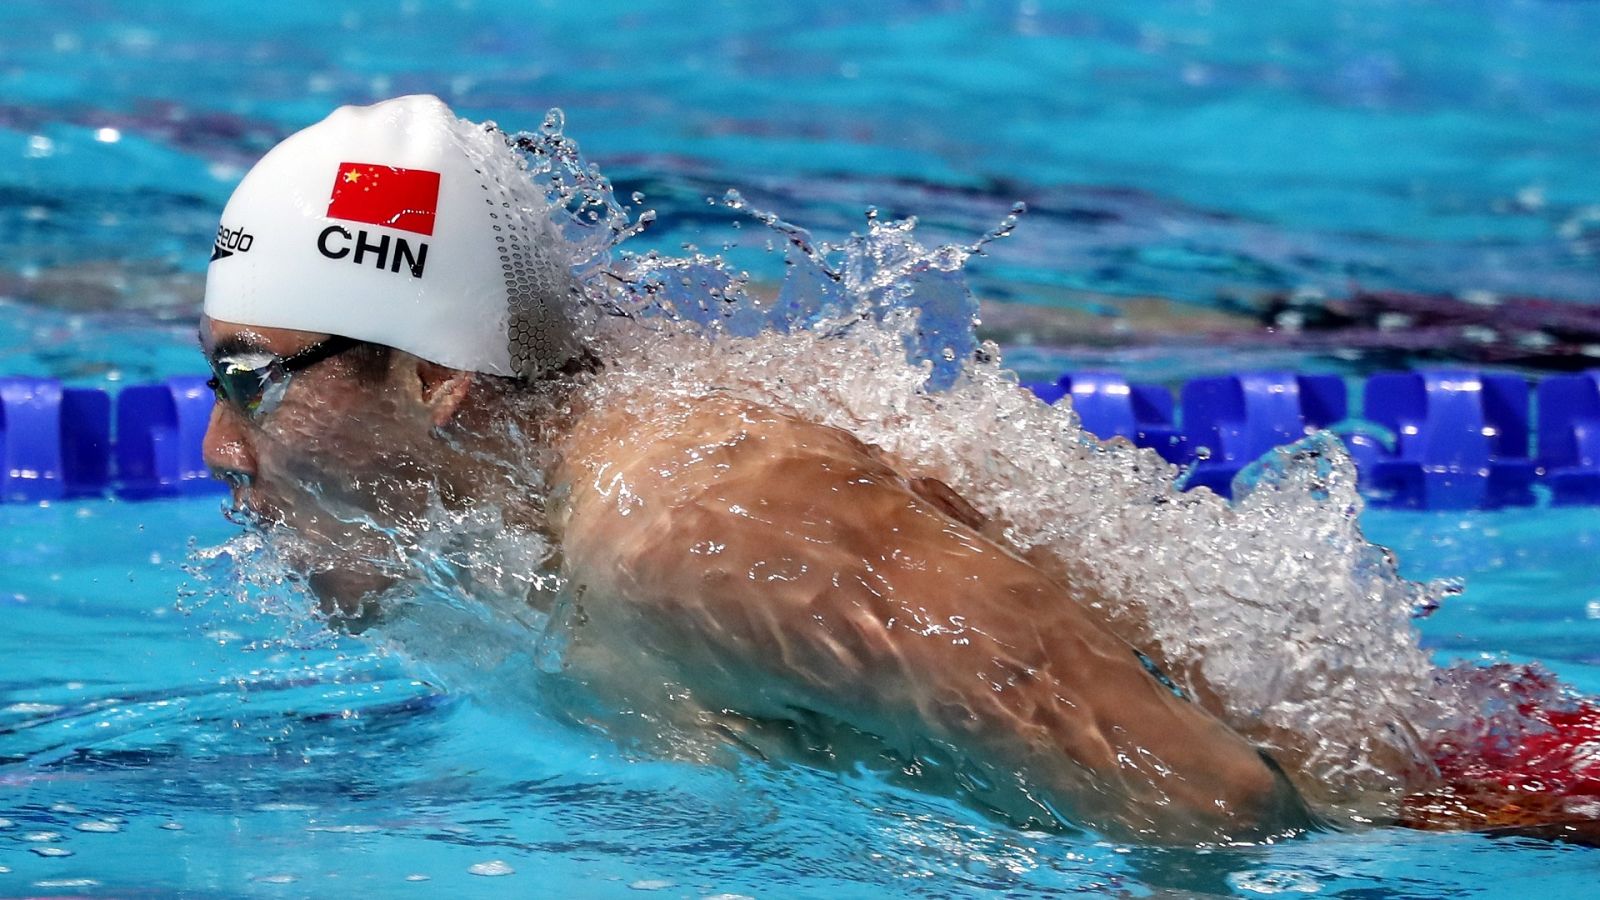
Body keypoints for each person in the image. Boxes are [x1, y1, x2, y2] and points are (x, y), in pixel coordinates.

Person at [197, 95, 1596, 844]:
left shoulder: (699, 529)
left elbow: (1204, 796)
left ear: (437, 377)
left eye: (250, 382)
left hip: (1496, 805)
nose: (217, 448)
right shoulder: (536, 501)